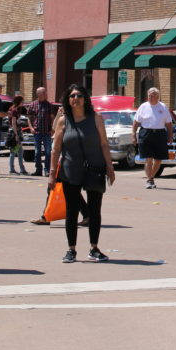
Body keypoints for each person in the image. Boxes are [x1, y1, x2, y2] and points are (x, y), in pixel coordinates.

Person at [49, 83, 116, 263]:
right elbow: (55, 150)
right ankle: (71, 250)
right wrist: (52, 173)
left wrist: (110, 167)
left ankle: (94, 248)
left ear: (85, 99)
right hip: (71, 170)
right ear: (68, 100)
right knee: (72, 211)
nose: (76, 99)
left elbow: (103, 144)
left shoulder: (96, 118)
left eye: (79, 96)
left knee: (95, 210)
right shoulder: (63, 121)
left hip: (94, 168)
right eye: (72, 96)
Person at [132, 87, 173, 189]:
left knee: (158, 159)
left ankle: (151, 177)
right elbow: (136, 122)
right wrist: (133, 135)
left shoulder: (163, 107)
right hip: (146, 133)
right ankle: (150, 180)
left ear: (157, 96)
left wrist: (170, 136)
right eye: (149, 95)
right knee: (148, 158)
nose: (150, 97)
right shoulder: (143, 106)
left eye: (153, 95)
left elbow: (169, 124)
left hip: (160, 134)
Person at [25, 87, 58, 176]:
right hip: (37, 132)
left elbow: (53, 118)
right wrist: (31, 128)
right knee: (37, 152)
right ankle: (38, 170)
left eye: (45, 93)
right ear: (39, 94)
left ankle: (47, 170)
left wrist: (52, 129)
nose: (46, 95)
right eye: (44, 93)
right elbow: (29, 118)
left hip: (47, 132)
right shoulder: (33, 104)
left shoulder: (49, 105)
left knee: (48, 152)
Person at [7, 95, 29, 175]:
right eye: (22, 101)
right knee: (13, 151)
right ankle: (12, 169)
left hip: (16, 131)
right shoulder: (14, 110)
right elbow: (13, 123)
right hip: (14, 132)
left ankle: (22, 169)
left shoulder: (15, 109)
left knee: (20, 151)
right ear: (19, 102)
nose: (23, 103)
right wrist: (16, 135)